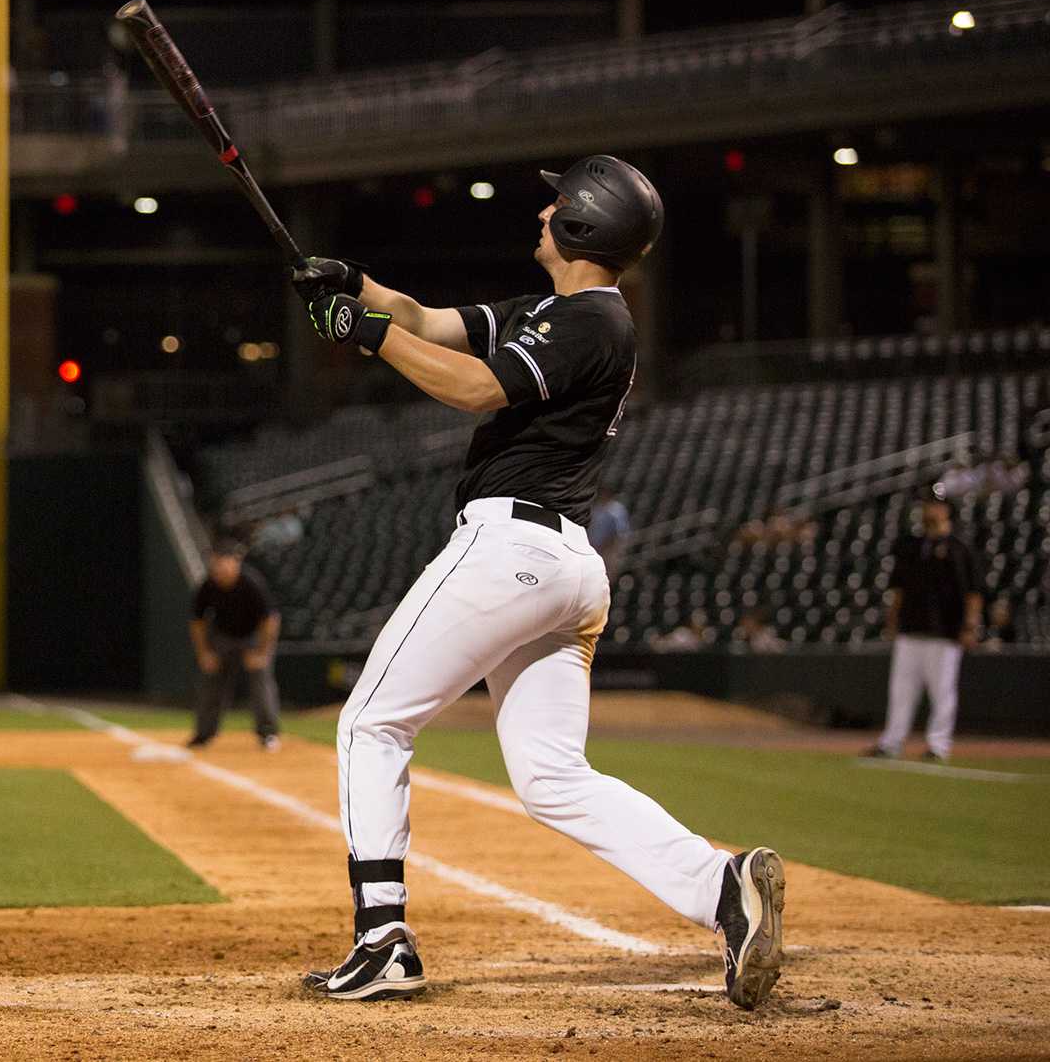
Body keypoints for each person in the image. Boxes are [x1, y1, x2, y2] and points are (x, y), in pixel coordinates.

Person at [290, 155, 783, 1009]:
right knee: (552, 776)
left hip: (509, 548)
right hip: (561, 566)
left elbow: (475, 387)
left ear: (584, 225)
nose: (546, 209)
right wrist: (356, 285)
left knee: (371, 721)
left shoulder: (593, 320)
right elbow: (433, 323)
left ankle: (382, 939)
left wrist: (364, 334)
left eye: (561, 202)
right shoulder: (560, 312)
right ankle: (721, 887)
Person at [866, 488, 982, 763]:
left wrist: (969, 626)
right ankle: (891, 742)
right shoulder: (910, 546)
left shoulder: (959, 549)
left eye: (934, 506)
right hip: (910, 629)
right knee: (901, 690)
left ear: (946, 511)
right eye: (927, 505)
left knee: (942, 691)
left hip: (945, 632)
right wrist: (893, 620)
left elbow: (973, 593)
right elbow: (898, 589)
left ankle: (938, 745)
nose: (928, 510)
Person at [186, 539, 282, 751]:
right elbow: (197, 622)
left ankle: (268, 734)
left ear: (235, 562)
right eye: (215, 563)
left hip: (252, 637)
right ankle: (203, 734)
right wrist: (204, 653)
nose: (218, 568)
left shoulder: (251, 583)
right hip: (222, 637)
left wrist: (262, 653)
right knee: (211, 683)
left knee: (261, 682)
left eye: (223, 562)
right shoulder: (208, 585)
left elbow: (270, 620)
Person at [587, 485, 631, 578]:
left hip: (610, 549)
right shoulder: (596, 508)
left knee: (607, 576)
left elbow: (620, 534)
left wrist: (610, 548)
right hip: (593, 548)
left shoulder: (616, 510)